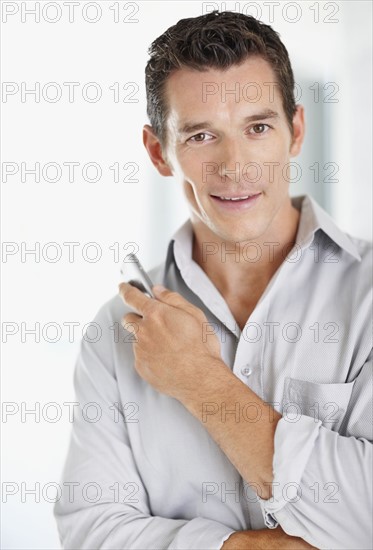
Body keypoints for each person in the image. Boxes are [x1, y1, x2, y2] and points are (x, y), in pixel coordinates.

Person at [54, 11, 372, 550]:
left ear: (295, 131)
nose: (235, 165)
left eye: (258, 127)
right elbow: (92, 531)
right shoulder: (116, 332)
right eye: (202, 136)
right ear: (159, 153)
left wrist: (201, 382)